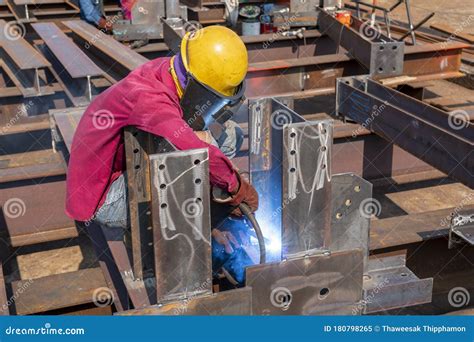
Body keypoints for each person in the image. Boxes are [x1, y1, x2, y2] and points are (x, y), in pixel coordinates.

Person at [65, 26, 258, 243]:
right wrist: (237, 187)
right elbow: (198, 152)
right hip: (103, 198)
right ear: (197, 86)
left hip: (111, 169)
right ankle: (199, 226)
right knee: (193, 162)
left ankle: (210, 206)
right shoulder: (150, 100)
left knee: (230, 135)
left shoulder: (168, 69)